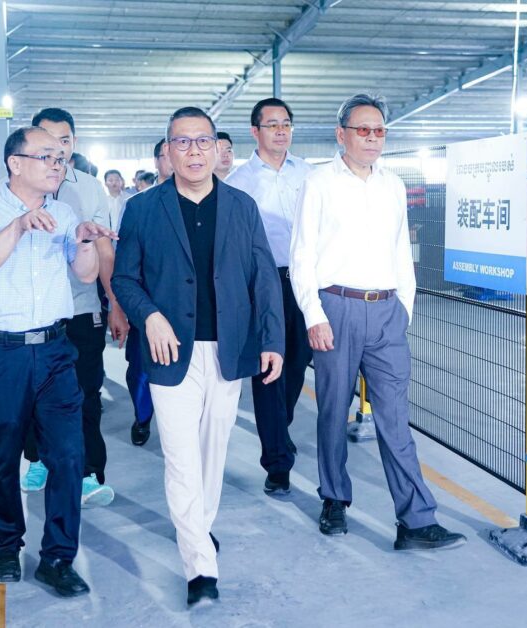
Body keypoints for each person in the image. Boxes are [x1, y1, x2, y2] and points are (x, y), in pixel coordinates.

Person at [112, 106, 284, 605]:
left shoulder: (242, 206)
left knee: (212, 455)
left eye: (202, 141)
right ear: (168, 151)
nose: (193, 151)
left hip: (228, 349)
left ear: (216, 148)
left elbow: (263, 279)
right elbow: (124, 278)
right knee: (182, 460)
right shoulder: (143, 209)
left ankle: (198, 532)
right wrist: (150, 316)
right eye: (182, 142)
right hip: (170, 353)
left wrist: (272, 340)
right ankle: (200, 569)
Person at [290, 93, 466, 550]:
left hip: (387, 311)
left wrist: (404, 307)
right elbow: (302, 254)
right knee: (333, 411)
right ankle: (334, 499)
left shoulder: (392, 185)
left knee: (395, 418)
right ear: (341, 134)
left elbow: (400, 250)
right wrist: (314, 315)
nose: (372, 138)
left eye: (379, 130)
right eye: (363, 129)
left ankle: (416, 520)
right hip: (336, 308)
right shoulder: (318, 183)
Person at [0, 126, 116, 596]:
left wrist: (83, 240)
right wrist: (20, 225)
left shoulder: (63, 213)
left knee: (68, 455)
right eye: (46, 156)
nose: (56, 165)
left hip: (54, 351)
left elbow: (84, 273)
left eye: (60, 158)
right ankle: (6, 548)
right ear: (15, 163)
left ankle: (58, 558)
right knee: (3, 455)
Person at [17, 107, 129, 509]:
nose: (57, 151)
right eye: (47, 142)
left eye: (64, 141)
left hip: (81, 309)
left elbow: (104, 248)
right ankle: (38, 459)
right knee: (34, 393)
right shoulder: (17, 186)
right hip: (33, 314)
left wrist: (115, 304)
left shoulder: (90, 188)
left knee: (85, 393)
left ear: (74, 143)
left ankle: (87, 473)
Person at [226, 98, 312, 495]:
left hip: (305, 281)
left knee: (296, 364)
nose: (281, 130)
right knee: (268, 371)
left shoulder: (310, 176)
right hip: (262, 283)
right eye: (272, 124)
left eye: (286, 123)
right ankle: (277, 462)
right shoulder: (238, 183)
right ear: (255, 131)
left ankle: (280, 430)